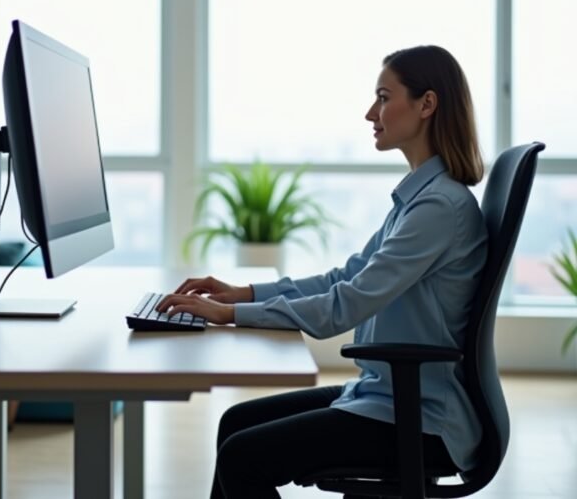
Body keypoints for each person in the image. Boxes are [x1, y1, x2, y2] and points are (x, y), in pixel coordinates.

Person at [157, 45, 489, 499]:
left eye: (384, 97)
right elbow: (344, 277)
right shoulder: (420, 200)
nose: (371, 112)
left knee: (243, 457)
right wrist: (243, 293)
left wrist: (229, 317)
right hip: (386, 396)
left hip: (421, 419)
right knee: (236, 425)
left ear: (426, 104)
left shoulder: (438, 207)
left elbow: (344, 306)